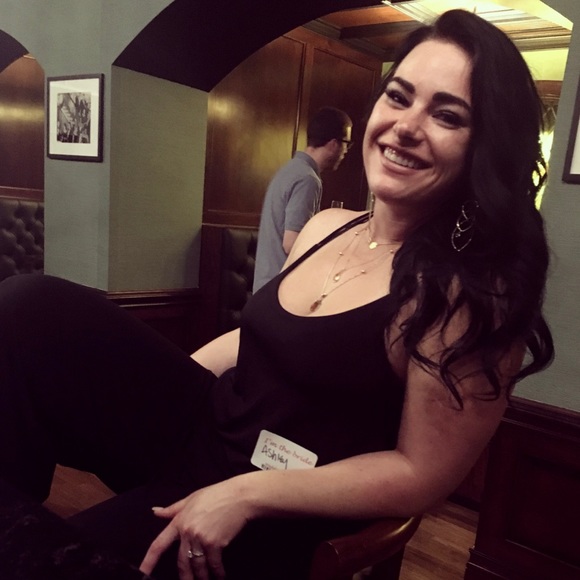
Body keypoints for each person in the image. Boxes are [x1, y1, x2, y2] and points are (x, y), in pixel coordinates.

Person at [0, 9, 554, 580]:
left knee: (38, 559)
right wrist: (152, 384)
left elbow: (421, 474)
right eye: (398, 97)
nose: (406, 126)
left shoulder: (469, 290)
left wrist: (246, 494)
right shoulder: (326, 226)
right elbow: (257, 338)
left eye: (446, 115)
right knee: (28, 306)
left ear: (484, 148)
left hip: (278, 508)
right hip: (207, 433)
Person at [252, 106, 353, 292]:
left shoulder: (290, 169)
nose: (346, 151)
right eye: (347, 144)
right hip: (279, 290)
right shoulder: (308, 179)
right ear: (333, 144)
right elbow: (292, 244)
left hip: (265, 286)